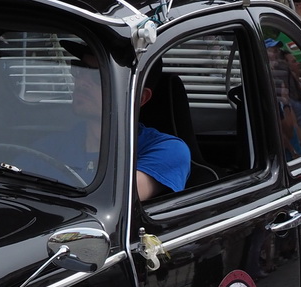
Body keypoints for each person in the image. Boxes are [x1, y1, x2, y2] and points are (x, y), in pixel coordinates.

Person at [36, 61, 188, 198]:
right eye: (80, 71)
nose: (82, 82)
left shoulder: (168, 150)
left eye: (97, 76)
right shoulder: (54, 144)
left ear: (140, 98)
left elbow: (112, 202)